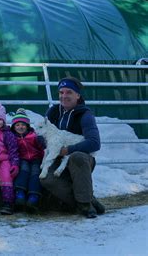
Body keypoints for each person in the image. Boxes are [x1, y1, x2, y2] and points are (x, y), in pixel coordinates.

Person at [40, 77, 105, 218]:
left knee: (78, 157)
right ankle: (88, 198)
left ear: (78, 95)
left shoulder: (84, 115)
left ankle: (85, 205)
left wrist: (67, 150)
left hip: (81, 160)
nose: (64, 96)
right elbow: (41, 136)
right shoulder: (53, 112)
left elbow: (94, 143)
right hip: (57, 158)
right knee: (46, 178)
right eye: (61, 92)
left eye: (69, 92)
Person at [10, 108, 45, 213]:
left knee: (35, 173)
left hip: (36, 158)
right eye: (17, 125)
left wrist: (41, 143)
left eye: (23, 125)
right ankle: (20, 194)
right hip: (23, 159)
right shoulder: (13, 138)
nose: (20, 127)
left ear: (27, 126)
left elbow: (42, 149)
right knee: (23, 171)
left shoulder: (33, 136)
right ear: (14, 127)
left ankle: (33, 196)